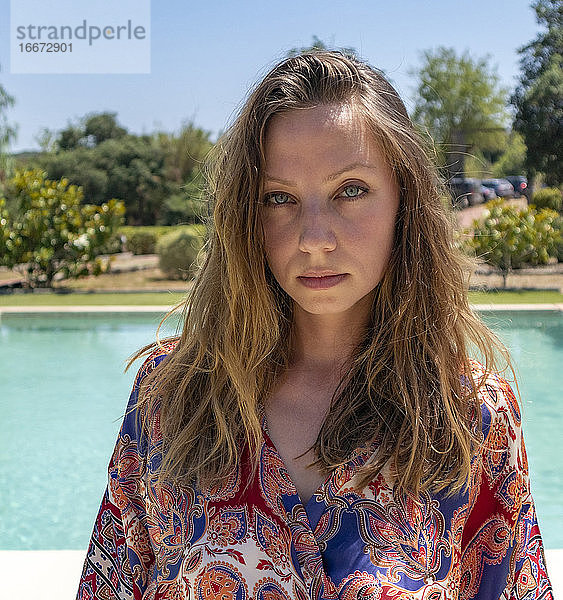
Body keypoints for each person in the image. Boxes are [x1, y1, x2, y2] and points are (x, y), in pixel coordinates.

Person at [76, 51, 553, 600]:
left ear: (405, 201)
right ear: (245, 218)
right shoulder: (169, 399)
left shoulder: (471, 415)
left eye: (350, 189)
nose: (314, 237)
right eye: (279, 199)